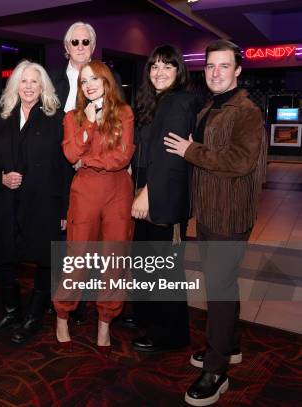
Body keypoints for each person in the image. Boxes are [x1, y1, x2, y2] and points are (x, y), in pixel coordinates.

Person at [164, 39, 267, 406]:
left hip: (229, 215)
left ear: (238, 70)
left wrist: (190, 150)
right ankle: (230, 345)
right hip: (208, 212)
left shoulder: (247, 111)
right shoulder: (211, 106)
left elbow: (240, 161)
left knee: (219, 290)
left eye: (224, 66)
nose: (216, 73)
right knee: (223, 283)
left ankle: (216, 369)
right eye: (210, 67)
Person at [0, 60, 72, 344]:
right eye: (23, 81)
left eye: (35, 81)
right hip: (8, 200)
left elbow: (65, 167)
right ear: (15, 86)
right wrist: (1, 178)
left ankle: (34, 315)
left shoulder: (56, 118)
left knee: (46, 259)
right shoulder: (4, 117)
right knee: (0, 257)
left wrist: (65, 207)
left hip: (44, 202)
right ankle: (12, 310)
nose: (29, 86)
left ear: (43, 85)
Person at [53, 60, 135, 350]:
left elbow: (121, 158)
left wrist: (86, 161)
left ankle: (105, 322)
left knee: (114, 260)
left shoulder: (124, 113)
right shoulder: (72, 117)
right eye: (83, 81)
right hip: (85, 193)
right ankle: (62, 314)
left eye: (94, 79)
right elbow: (69, 153)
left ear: (106, 81)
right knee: (78, 258)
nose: (88, 85)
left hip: (118, 193)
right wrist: (87, 123)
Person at [129, 45, 201, 353]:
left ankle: (169, 334)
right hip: (148, 187)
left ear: (178, 72)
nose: (159, 72)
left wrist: (147, 192)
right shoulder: (155, 102)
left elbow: (169, 157)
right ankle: (148, 317)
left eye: (167, 67)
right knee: (145, 261)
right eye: (155, 66)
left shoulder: (178, 102)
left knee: (164, 268)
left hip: (163, 195)